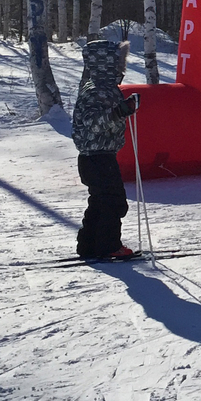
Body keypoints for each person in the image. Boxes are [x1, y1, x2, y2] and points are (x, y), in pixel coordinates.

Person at [71, 39, 140, 260]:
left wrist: (124, 109)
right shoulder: (96, 90)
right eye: (117, 62)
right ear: (106, 64)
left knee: (100, 200)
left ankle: (89, 244)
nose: (122, 67)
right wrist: (119, 112)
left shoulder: (104, 88)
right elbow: (93, 123)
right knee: (113, 201)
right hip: (96, 156)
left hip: (99, 155)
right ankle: (108, 245)